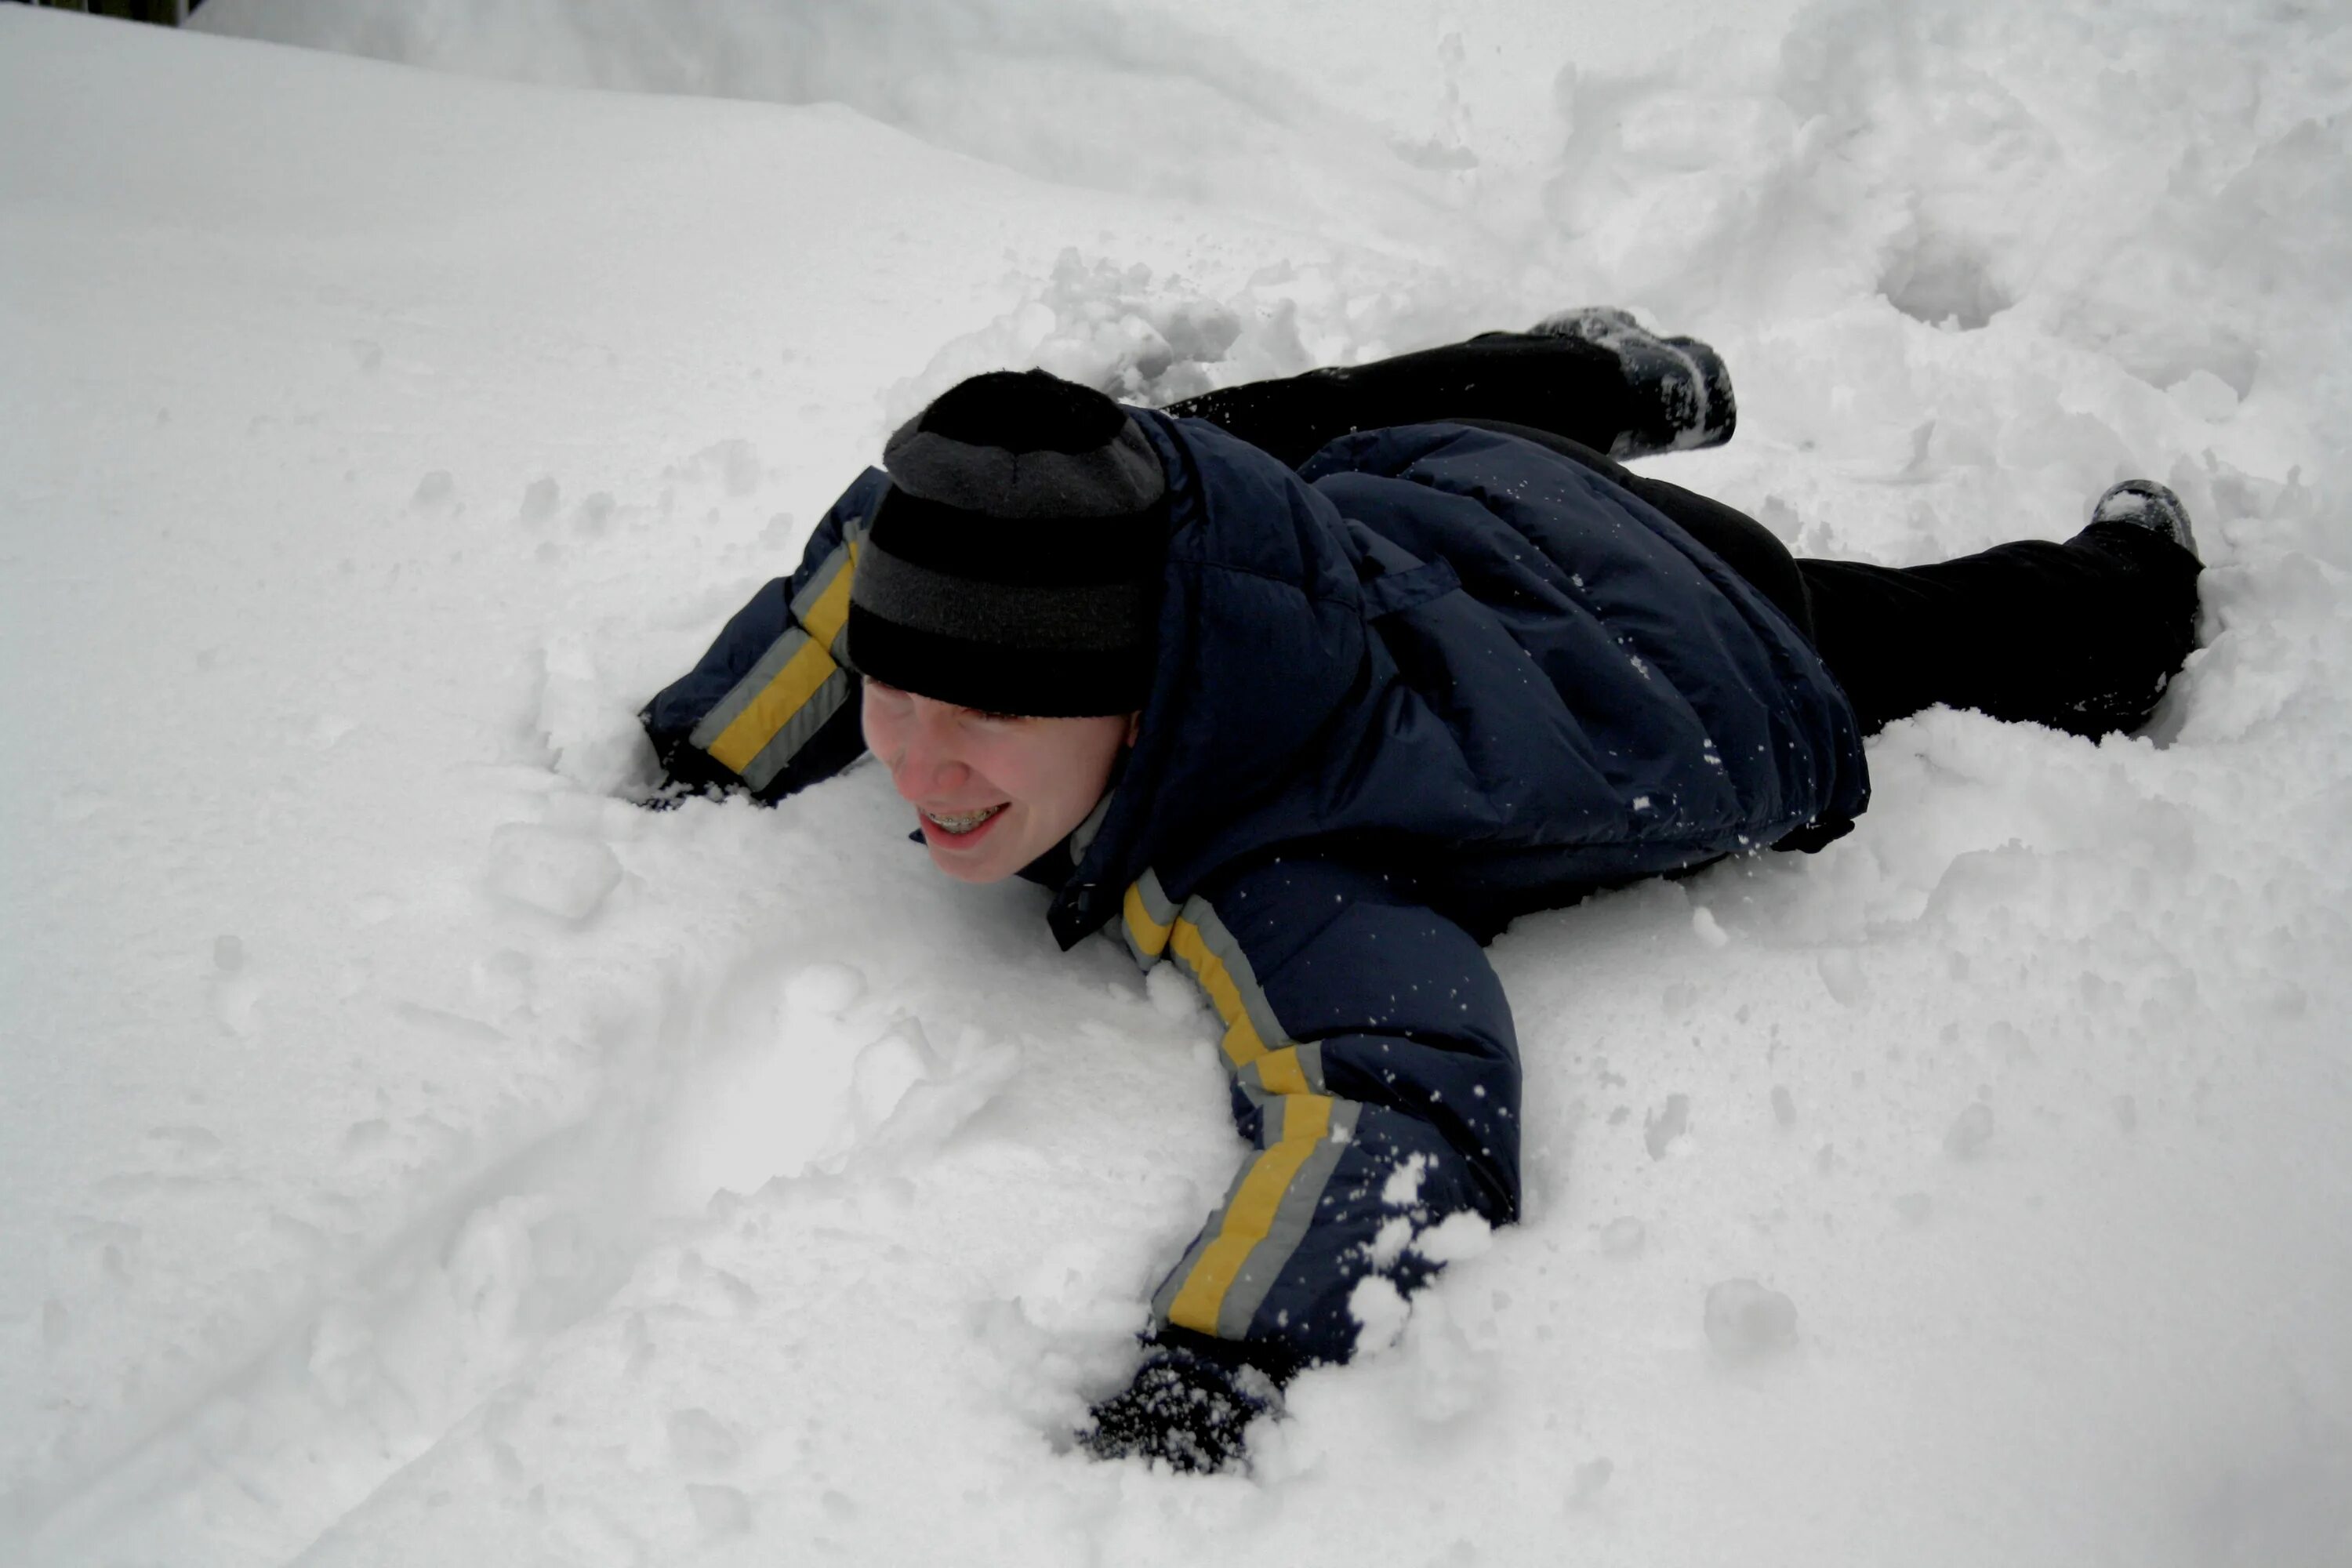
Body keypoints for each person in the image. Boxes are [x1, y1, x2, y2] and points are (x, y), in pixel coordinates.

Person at [639, 310, 2203, 1472]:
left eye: (982, 719)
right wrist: (714, 751)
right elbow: (871, 561)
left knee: (1921, 638)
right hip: (1434, 489)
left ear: (1134, 698)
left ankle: (2132, 584)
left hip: (1685, 611)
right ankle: (1591, 379)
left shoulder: (1269, 844)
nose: (918, 762)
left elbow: (1403, 1092)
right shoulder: (1139, 527)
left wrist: (1219, 1362)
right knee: (1248, 425)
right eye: (897, 700)